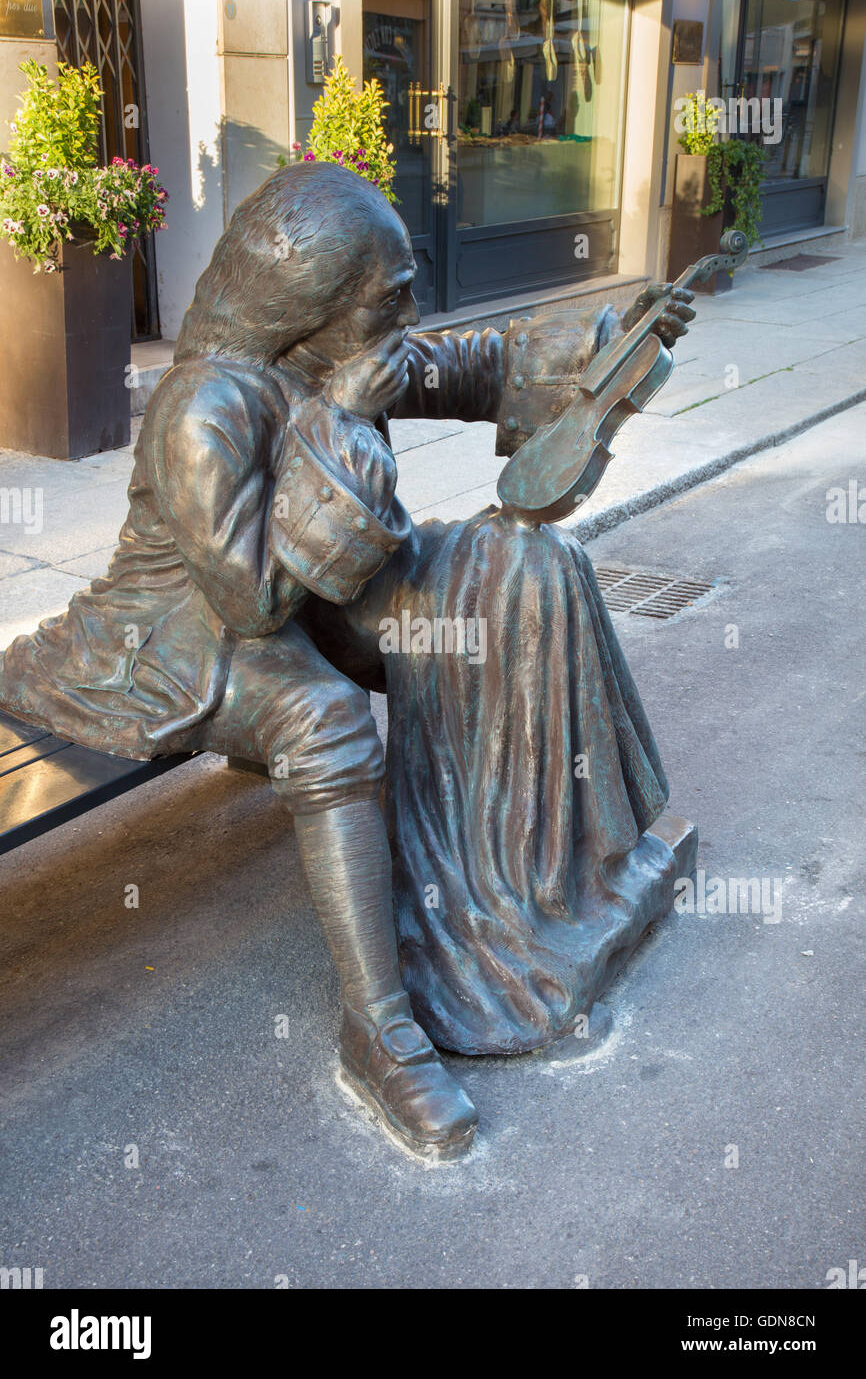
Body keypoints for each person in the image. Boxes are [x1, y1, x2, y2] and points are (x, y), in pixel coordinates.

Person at [0, 163, 694, 1157]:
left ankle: (560, 879)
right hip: (183, 636)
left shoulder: (347, 347)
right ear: (312, 305)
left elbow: (471, 365)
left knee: (521, 566)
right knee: (319, 718)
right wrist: (331, 423)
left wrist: (614, 344)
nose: (405, 308)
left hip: (320, 600)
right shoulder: (203, 409)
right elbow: (252, 602)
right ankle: (381, 1029)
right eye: (386, 293)